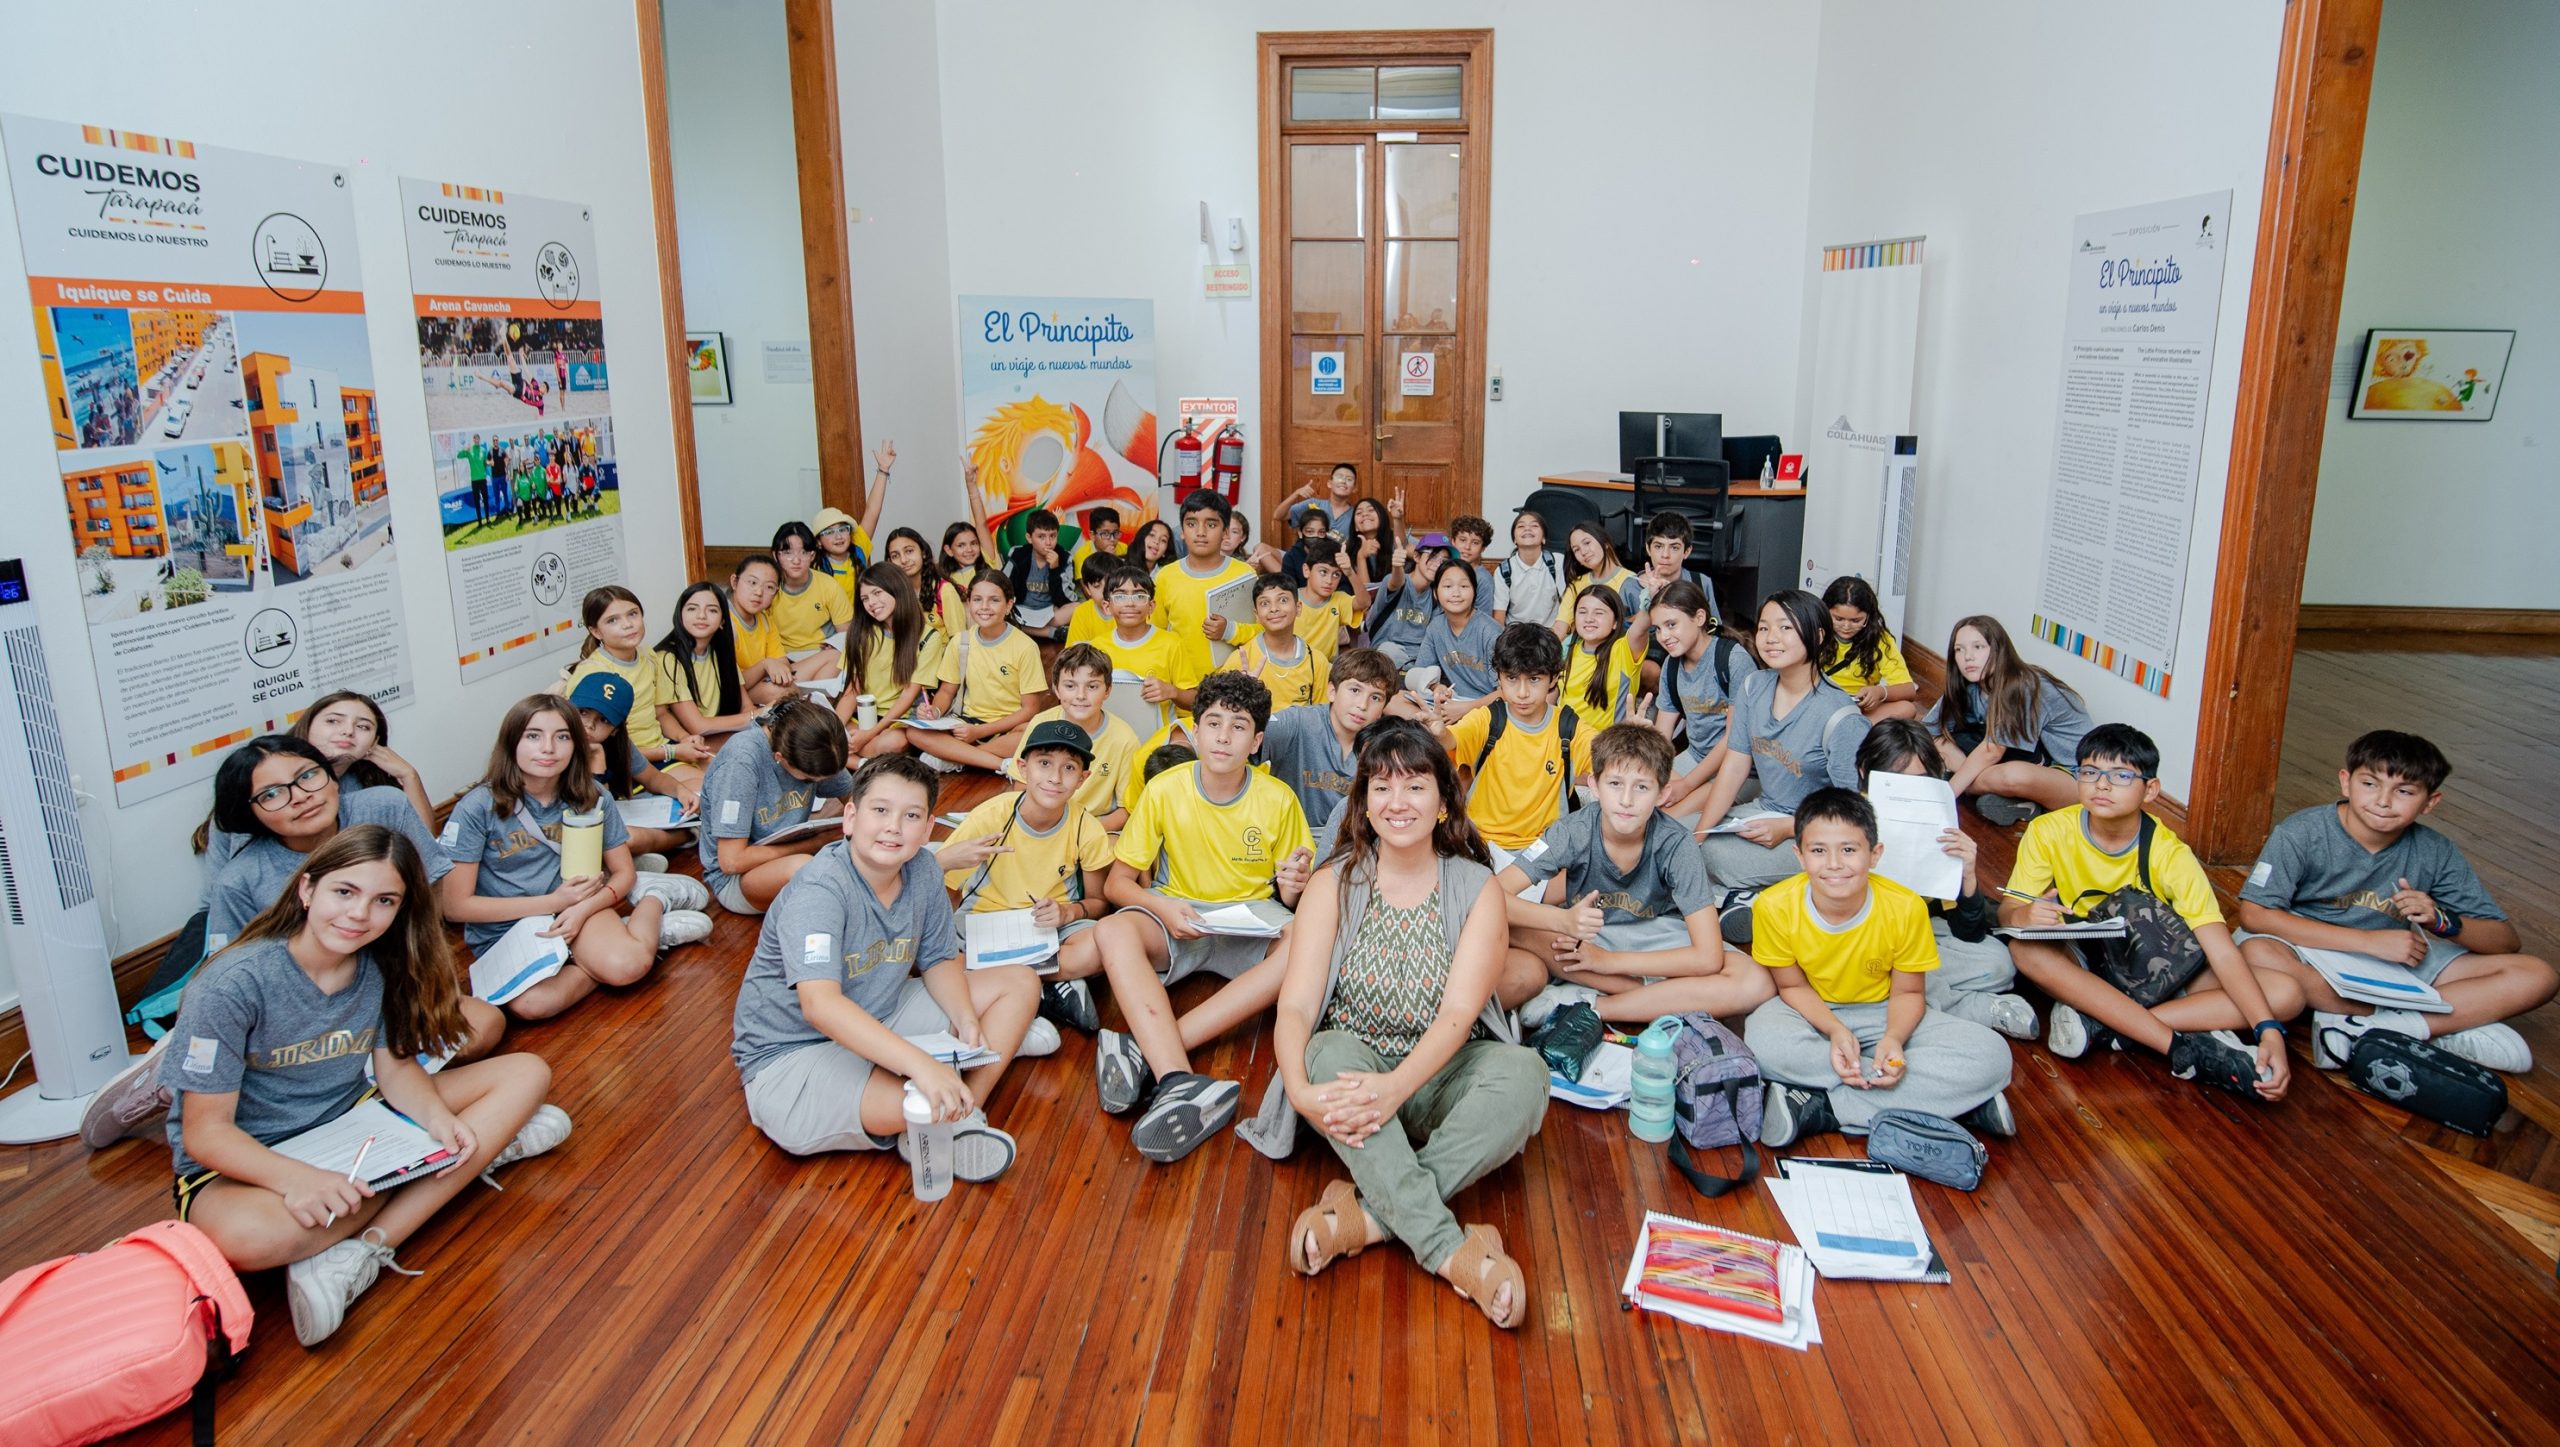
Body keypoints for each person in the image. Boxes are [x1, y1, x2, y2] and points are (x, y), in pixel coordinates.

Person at [161, 827, 561, 1346]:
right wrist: (296, 1180)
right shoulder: (231, 984)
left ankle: (363, 1248)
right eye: (344, 892)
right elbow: (206, 1135)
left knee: (526, 1071)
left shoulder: (379, 966)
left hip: (353, 1125)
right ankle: (474, 1157)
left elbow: (395, 1070)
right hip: (247, 1165)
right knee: (249, 1240)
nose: (358, 915)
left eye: (383, 901)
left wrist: (438, 1120)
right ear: (307, 890)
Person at [1269, 718, 1547, 1329]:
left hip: (1441, 1077)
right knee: (1327, 1046)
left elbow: (1458, 1015)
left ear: (1444, 802)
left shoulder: (1476, 887)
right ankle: (1452, 1252)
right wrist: (1296, 1088)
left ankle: (1368, 1217)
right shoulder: (1331, 884)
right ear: (1363, 804)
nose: (1398, 802)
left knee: (1525, 1074)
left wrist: (1397, 1089)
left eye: (1416, 786)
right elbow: (1295, 1005)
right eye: (1382, 787)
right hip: (1352, 1075)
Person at [730, 756, 1036, 1176]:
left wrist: (966, 1020)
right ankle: (943, 1103)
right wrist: (920, 1064)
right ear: (850, 817)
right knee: (925, 1097)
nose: (894, 826)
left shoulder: (924, 868)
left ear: (928, 829)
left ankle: (964, 1114)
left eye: (911, 816)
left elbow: (940, 959)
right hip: (792, 1055)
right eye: (880, 810)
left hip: (879, 1010)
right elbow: (820, 1006)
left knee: (1020, 982)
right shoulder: (819, 890)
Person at [2000, 724, 2302, 1100]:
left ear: (2151, 790)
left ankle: (2104, 1023)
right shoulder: (2048, 830)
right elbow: (2008, 911)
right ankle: (2176, 1045)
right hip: (2082, 958)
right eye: (2090, 772)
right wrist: (2022, 916)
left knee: (2286, 993)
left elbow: (2221, 949)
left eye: (2121, 776)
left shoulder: (2170, 853)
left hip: (2152, 962)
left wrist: (2268, 1029)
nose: (2102, 785)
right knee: (2023, 950)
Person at [2235, 730, 2552, 1073]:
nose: (2384, 801)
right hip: (2310, 950)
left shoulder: (2435, 851)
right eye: (2370, 784)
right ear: (2346, 782)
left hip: (2393, 963)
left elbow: (2505, 941)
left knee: (2538, 975)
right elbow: (2254, 914)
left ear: (2430, 802)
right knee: (2256, 954)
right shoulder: (2302, 832)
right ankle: (2428, 1026)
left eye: (2404, 791)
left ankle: (2377, 1027)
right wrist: (2368, 942)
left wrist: (2440, 921)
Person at [1093, 672, 1313, 1163]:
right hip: (1180, 913)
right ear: (1194, 732)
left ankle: (1147, 1052)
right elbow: (1117, 885)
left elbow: (1293, 892)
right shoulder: (1165, 789)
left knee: (1307, 938)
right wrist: (1162, 907)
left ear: (1257, 741)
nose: (1223, 736)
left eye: (1238, 727)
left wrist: (1295, 889)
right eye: (1212, 723)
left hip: (1250, 920)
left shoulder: (1278, 798)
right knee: (1112, 928)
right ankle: (1175, 1077)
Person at [1745, 788, 2018, 1147]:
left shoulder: (1905, 907)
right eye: (1817, 851)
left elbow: (1908, 992)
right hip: (1814, 1013)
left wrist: (1894, 1039)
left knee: (1992, 1056)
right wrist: (1836, 1031)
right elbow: (1793, 988)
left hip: (1886, 1010)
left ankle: (1824, 1107)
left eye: (1848, 849)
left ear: (1874, 855)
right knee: (1762, 1042)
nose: (1834, 864)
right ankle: (1952, 1104)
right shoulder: (1772, 906)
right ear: (1799, 855)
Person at [439, 695, 711, 1020]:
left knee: (629, 966)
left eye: (562, 737)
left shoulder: (592, 796)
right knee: (533, 1005)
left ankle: (656, 900)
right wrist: (552, 902)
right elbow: (455, 907)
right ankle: (623, 937)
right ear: (511, 742)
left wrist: (581, 910)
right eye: (533, 735)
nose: (548, 748)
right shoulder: (476, 808)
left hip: (576, 908)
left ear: (576, 744)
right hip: (507, 926)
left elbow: (624, 873)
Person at [1497, 724, 1771, 1024]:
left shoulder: (1677, 844)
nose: (1626, 800)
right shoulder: (1571, 831)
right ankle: (1651, 996)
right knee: (1512, 925)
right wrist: (1562, 920)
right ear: (1595, 785)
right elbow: (1493, 896)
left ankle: (1590, 1003)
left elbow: (1707, 957)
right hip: (1588, 934)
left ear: (1662, 793)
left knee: (1755, 981)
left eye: (1641, 787)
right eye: (1615, 784)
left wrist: (1608, 962)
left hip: (1657, 937)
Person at [1854, 723, 2037, 1039]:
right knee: (1865, 972)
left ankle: (1915, 1006)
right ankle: (1972, 1009)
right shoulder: (1844, 823)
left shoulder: (1937, 824)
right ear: (1865, 774)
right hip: (1858, 944)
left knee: (1999, 964)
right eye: (1894, 782)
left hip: (1921, 938)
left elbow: (1969, 931)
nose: (1909, 794)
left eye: (1921, 783)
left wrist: (1966, 875)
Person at [943, 720, 1118, 1037]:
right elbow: (948, 889)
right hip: (984, 923)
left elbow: (1098, 902)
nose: (1055, 777)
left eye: (1069, 768)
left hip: (1051, 929)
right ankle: (1046, 987)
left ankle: (1011, 986)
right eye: (1045, 764)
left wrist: (1068, 912)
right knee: (937, 956)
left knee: (1105, 944)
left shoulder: (1086, 827)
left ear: (1083, 778)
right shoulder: (991, 815)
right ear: (1023, 768)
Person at [1689, 591, 1871, 888]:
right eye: (1764, 627)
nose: (1771, 637)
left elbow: (1852, 809)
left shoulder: (1841, 718)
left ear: (1819, 635)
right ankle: (1737, 897)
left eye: (1785, 627)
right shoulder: (1753, 686)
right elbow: (1734, 767)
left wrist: (1790, 827)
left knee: (1712, 858)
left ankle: (1747, 897)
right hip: (1762, 810)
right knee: (1675, 837)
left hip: (1816, 831)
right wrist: (1698, 834)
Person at [1426, 625, 1594, 859]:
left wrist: (1636, 740)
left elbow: (1611, 758)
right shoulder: (1488, 719)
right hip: (1480, 843)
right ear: (1499, 678)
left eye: (1534, 679)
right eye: (1512, 678)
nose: (1522, 692)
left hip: (1543, 851)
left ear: (1554, 678)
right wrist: (1438, 732)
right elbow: (1451, 738)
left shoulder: (1569, 728)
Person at [1926, 614, 2094, 825]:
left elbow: (1992, 751)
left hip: (2075, 778)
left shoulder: (2026, 685)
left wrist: (1943, 797)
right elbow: (1928, 730)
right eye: (1959, 650)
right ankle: (2016, 801)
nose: (1968, 656)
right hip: (2026, 760)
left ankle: (1964, 784)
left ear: (1998, 651)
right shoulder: (1971, 685)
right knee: (1940, 743)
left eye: (1978, 647)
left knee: (2013, 775)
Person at [697, 697, 856, 914]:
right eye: (809, 780)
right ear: (780, 758)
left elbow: (854, 799)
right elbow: (731, 861)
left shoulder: (815, 740)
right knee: (804, 869)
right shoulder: (741, 764)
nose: (816, 784)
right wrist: (817, 842)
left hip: (790, 849)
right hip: (738, 879)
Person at [1257, 647, 1398, 859]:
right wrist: (1243, 708)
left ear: (1384, 708)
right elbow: (1236, 742)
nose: (1362, 705)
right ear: (1332, 691)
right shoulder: (1298, 723)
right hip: (1289, 841)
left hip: (1351, 846)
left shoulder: (1384, 745)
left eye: (1376, 698)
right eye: (1355, 690)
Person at [910, 572, 1049, 775]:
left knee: (1034, 733)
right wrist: (935, 712)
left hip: (1008, 727)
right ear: (969, 604)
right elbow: (947, 692)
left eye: (994, 600)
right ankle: (998, 763)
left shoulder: (1025, 646)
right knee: (914, 732)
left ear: (1009, 605)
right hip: (966, 724)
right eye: (977, 600)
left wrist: (980, 732)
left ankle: (959, 757)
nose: (984, 607)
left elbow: (1030, 709)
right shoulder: (960, 641)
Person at [564, 586, 710, 772]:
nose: (627, 624)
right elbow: (598, 747)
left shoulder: (648, 656)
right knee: (705, 792)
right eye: (613, 620)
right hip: (624, 764)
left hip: (663, 749)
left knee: (724, 776)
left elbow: (661, 713)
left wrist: (684, 738)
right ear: (596, 632)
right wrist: (672, 751)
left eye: (633, 614)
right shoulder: (592, 675)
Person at [1007, 643, 1138, 832]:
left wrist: (1079, 833)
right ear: (1057, 689)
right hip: (1041, 821)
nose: (1081, 695)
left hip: (1093, 826)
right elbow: (1021, 784)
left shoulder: (1124, 739)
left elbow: (1126, 809)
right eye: (1070, 686)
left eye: (1092, 686)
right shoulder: (1040, 722)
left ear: (1108, 690)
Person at [569, 672, 697, 860]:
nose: (589, 725)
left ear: (615, 730)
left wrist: (680, 790)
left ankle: (684, 835)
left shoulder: (617, 746)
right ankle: (680, 838)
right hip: (578, 827)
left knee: (697, 793)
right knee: (627, 839)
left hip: (612, 817)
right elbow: (596, 816)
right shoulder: (554, 745)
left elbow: (653, 778)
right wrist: (597, 765)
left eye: (604, 720)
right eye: (583, 712)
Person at [292, 689, 435, 829]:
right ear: (308, 724)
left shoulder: (367, 783)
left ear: (374, 742)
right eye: (333, 721)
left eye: (363, 727)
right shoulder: (278, 775)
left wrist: (409, 775)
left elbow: (425, 843)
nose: (348, 731)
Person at [1092, 565, 1208, 735]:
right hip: (1110, 737)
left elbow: (1194, 700)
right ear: (1107, 606)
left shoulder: (1171, 643)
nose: (1130, 603)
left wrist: (1171, 691)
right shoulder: (1097, 648)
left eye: (1140, 596)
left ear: (1151, 607)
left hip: (1157, 738)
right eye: (1120, 596)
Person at [1153, 489, 1259, 668]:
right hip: (1181, 685)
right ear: (1181, 531)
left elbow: (1263, 631)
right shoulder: (1165, 577)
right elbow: (1156, 634)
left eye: (1211, 525)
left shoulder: (1244, 574)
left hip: (1232, 685)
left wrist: (1230, 630)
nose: (1200, 532)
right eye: (1191, 523)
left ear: (1225, 532)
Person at [838, 562, 928, 759]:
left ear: (897, 588)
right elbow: (853, 690)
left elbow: (907, 696)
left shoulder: (928, 636)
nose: (871, 602)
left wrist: (868, 735)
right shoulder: (862, 633)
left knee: (895, 743)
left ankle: (846, 759)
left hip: (895, 721)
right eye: (865, 598)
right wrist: (834, 730)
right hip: (861, 717)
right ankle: (856, 759)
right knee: (826, 730)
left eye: (877, 593)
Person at [655, 581, 757, 747]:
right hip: (690, 743)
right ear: (680, 615)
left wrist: (755, 715)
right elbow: (698, 727)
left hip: (721, 735)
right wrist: (757, 715)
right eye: (692, 608)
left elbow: (746, 706)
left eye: (712, 610)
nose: (701, 615)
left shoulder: (721, 653)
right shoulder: (667, 659)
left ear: (723, 620)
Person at [1413, 553, 1502, 723]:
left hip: (1486, 707)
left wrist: (1466, 709)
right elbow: (1421, 672)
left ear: (1474, 592)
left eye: (1464, 586)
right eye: (1447, 586)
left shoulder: (1490, 632)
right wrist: (1436, 686)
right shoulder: (1436, 627)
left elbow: (1506, 692)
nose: (1456, 593)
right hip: (1452, 703)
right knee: (1395, 701)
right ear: (1435, 593)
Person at [1820, 575, 1918, 722]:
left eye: (1856, 620)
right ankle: (1852, 731)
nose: (1846, 627)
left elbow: (1909, 690)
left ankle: (1848, 729)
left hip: (1858, 708)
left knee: (1907, 709)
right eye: (1838, 619)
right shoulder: (1816, 631)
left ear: (1868, 616)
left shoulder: (1880, 641)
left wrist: (1880, 692)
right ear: (1825, 611)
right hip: (1819, 702)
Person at [768, 521, 855, 682]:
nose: (796, 560)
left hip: (822, 656)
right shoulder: (768, 588)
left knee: (840, 656)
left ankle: (810, 701)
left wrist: (835, 644)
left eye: (803, 552)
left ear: (812, 555)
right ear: (775, 555)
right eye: (787, 552)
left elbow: (846, 635)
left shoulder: (828, 585)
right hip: (783, 659)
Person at [1228, 574, 1325, 709]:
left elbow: (1321, 716)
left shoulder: (1317, 661)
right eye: (1265, 603)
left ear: (1298, 608)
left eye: (1283, 600)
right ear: (1256, 614)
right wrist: (1244, 693)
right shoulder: (1241, 659)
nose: (1274, 608)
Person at [1560, 584, 1641, 739]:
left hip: (1606, 749)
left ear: (1615, 622)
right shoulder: (1568, 647)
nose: (1589, 619)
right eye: (1582, 612)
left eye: (1599, 613)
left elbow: (1641, 627)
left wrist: (1650, 598)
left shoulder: (1623, 649)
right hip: (1566, 743)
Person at [886, 525, 966, 676]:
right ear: (890, 562)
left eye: (909, 551)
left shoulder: (944, 590)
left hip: (941, 668)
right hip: (906, 666)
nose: (903, 560)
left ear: (923, 552)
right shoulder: (892, 594)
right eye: (895, 556)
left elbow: (958, 642)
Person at [1559, 521, 1646, 650]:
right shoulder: (1576, 584)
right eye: (1576, 550)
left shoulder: (1630, 581)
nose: (1583, 551)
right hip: (1579, 652)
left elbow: (1645, 623)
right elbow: (1560, 626)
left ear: (1605, 543)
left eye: (1587, 543)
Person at [727, 553, 796, 706]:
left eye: (769, 587)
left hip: (760, 681)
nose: (759, 592)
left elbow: (782, 664)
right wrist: (765, 665)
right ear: (734, 582)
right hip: (737, 691)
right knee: (784, 691)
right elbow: (729, 683)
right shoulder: (725, 621)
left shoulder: (764, 619)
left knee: (832, 658)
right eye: (752, 582)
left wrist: (770, 668)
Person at [1361, 540, 1440, 669]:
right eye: (1433, 556)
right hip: (1385, 657)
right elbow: (1395, 583)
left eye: (1444, 560)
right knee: (1390, 651)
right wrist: (1397, 567)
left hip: (1417, 661)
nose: (1437, 564)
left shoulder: (1436, 596)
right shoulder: (1398, 582)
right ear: (1416, 557)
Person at [1004, 507, 1074, 643]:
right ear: (1029, 538)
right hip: (1021, 610)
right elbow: (1001, 584)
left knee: (1078, 608)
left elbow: (1066, 600)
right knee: (1002, 611)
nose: (1048, 542)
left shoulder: (1065, 557)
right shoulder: (1018, 554)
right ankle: (1051, 633)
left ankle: (1028, 630)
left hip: (1050, 613)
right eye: (1041, 536)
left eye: (1052, 536)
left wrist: (1055, 570)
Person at [1291, 539, 1362, 671]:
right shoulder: (1290, 600)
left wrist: (1350, 572)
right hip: (1294, 667)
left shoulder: (1339, 599)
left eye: (1336, 574)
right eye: (1323, 572)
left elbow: (1364, 602)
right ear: (1307, 570)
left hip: (1326, 667)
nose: (1329, 581)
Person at [1490, 510, 1565, 630]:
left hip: (1550, 633)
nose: (1527, 529)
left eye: (1534, 525)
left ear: (1543, 538)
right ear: (1514, 539)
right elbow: (1499, 616)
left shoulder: (1557, 562)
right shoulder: (1504, 571)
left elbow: (1567, 605)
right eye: (1521, 526)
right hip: (1516, 634)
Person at [1274, 461, 1358, 536]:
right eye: (1339, 477)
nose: (1343, 481)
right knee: (1262, 548)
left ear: (1354, 488)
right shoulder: (1312, 504)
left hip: (1340, 553)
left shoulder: (1356, 515)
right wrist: (1296, 494)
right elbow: (1278, 516)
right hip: (1308, 553)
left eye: (1349, 479)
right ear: (1329, 483)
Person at [1062, 550, 1118, 647]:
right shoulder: (1082, 612)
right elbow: (1075, 653)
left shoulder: (1129, 610)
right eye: (1097, 586)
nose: (1105, 592)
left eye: (1111, 585)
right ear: (1087, 588)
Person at [1447, 514, 1496, 603]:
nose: (1467, 547)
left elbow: (1483, 615)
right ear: (1453, 541)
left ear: (1483, 548)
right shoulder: (1444, 569)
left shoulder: (1483, 580)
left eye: (1475, 543)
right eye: (1463, 540)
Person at [938, 519, 985, 592]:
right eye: (961, 545)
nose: (969, 550)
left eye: (973, 543)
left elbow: (982, 524)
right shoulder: (945, 579)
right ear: (949, 550)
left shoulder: (987, 563)